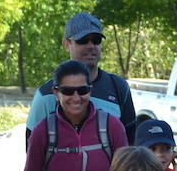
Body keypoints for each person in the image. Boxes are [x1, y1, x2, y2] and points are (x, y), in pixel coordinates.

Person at [21, 60, 128, 171]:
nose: (76, 97)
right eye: (68, 91)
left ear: (90, 90)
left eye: (83, 90)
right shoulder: (44, 131)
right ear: (56, 93)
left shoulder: (111, 126)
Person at [25, 11, 137, 144]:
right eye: (82, 40)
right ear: (66, 44)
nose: (90, 46)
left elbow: (131, 146)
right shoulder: (45, 95)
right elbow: (33, 150)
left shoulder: (119, 87)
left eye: (96, 40)